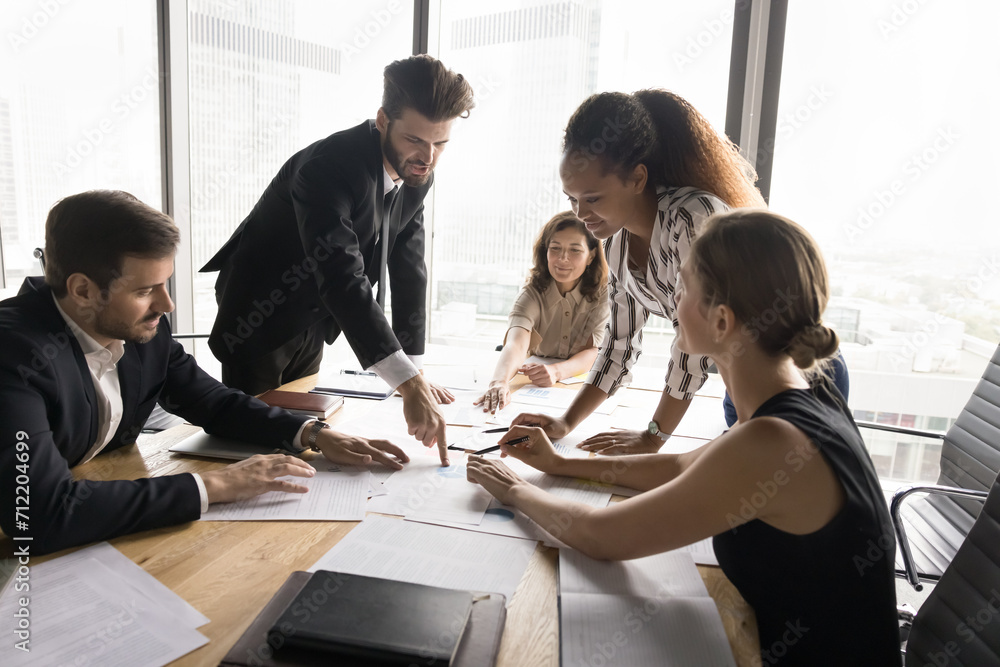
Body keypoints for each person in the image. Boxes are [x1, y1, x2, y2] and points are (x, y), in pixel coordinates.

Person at [467, 210, 901, 666]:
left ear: (721, 322)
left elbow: (602, 536)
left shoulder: (774, 441)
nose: (673, 302)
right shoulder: (806, 397)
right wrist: (560, 464)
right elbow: (681, 467)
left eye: (684, 288)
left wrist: (513, 489)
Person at [0, 191, 410, 555]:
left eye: (165, 284)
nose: (166, 305)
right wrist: (216, 486)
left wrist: (314, 434)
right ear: (83, 291)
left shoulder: (143, 328)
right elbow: (37, 516)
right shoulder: (14, 355)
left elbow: (212, 402)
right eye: (145, 291)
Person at [201, 55, 475, 466]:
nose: (428, 157)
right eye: (415, 140)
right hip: (259, 316)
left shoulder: (419, 171)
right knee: (252, 444)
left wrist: (414, 371)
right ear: (383, 120)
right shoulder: (329, 167)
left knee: (302, 431)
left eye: (441, 144)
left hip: (316, 315)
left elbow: (408, 265)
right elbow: (343, 274)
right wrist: (408, 386)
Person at [514, 89, 766, 455]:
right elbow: (618, 346)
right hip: (738, 384)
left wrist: (653, 437)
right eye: (572, 199)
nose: (581, 214)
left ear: (636, 179)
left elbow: (693, 349)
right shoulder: (616, 244)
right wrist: (566, 422)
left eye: (593, 198)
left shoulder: (693, 219)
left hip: (789, 376)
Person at [474, 211, 609, 413]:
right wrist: (499, 382)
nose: (563, 258)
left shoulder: (604, 293)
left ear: (590, 256)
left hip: (575, 384)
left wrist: (556, 371)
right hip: (532, 384)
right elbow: (516, 343)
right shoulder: (532, 292)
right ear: (545, 252)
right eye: (555, 248)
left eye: (574, 250)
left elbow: (592, 352)